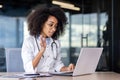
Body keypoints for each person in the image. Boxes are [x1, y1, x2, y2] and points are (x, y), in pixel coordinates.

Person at [21, 5, 75, 73]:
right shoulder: (29, 42)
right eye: (50, 25)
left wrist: (67, 68)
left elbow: (57, 65)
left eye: (55, 26)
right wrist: (41, 51)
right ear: (41, 23)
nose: (54, 29)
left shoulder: (56, 43)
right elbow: (29, 69)